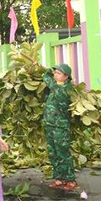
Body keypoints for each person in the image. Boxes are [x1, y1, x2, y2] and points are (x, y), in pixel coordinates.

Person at [42, 63, 77, 191]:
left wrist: (47, 71)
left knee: (63, 153)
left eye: (58, 73)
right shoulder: (55, 87)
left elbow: (46, 78)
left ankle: (70, 180)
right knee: (53, 152)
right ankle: (59, 179)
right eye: (55, 73)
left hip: (61, 127)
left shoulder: (64, 89)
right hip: (50, 125)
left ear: (66, 76)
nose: (55, 75)